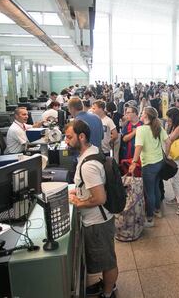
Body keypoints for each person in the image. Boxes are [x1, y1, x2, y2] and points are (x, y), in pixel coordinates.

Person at [65, 120, 118, 298]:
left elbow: (100, 197)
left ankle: (108, 293)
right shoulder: (92, 151)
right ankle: (108, 285)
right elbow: (90, 186)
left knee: (108, 261)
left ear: (81, 137)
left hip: (98, 221)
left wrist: (78, 203)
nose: (66, 141)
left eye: (69, 137)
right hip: (98, 219)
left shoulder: (88, 165)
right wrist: (78, 190)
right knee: (105, 258)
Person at [128, 107, 171, 227]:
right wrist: (165, 156)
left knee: (149, 192)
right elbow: (168, 142)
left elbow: (138, 147)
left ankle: (150, 218)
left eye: (142, 113)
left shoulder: (141, 129)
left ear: (146, 116)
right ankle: (158, 210)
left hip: (149, 165)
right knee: (156, 187)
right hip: (159, 162)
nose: (141, 114)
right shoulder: (157, 127)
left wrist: (134, 162)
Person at [165, 107, 179, 215]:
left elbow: (170, 139)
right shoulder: (172, 126)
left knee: (175, 180)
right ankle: (176, 198)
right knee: (173, 179)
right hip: (172, 155)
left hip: (176, 156)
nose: (167, 119)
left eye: (169, 117)